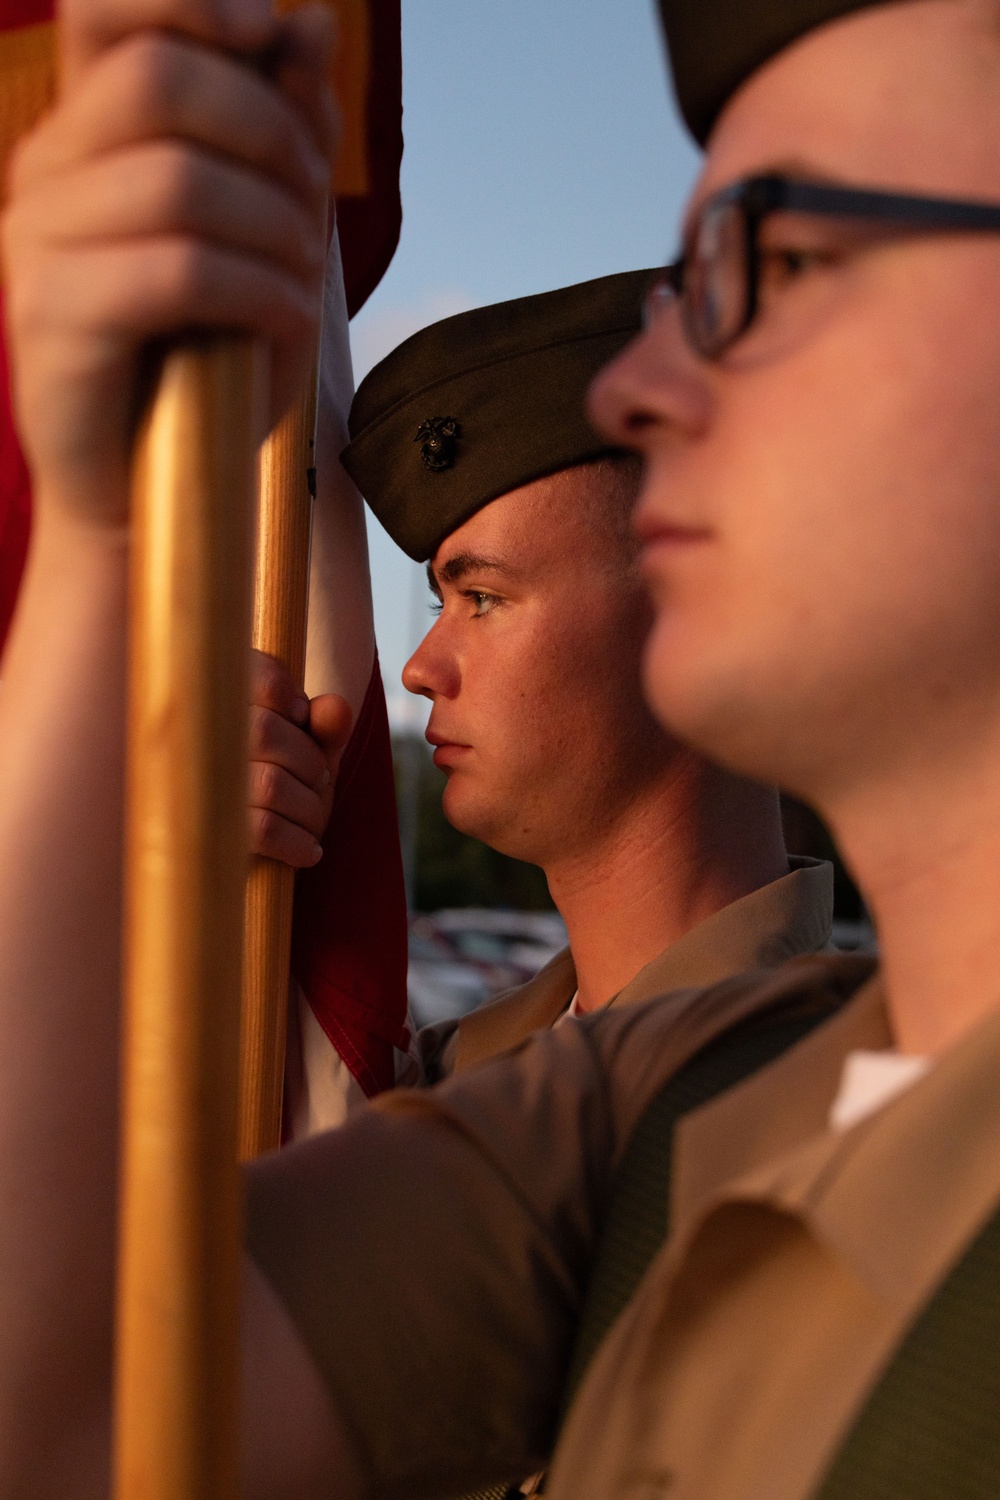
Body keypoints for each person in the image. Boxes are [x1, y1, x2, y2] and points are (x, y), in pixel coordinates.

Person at [3, 2, 1000, 1500]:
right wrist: (104, 538)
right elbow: (75, 1409)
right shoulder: (663, 1101)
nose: (649, 393)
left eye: (775, 262)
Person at [252, 278, 834, 1120]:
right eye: (438, 603)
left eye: (483, 598)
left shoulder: (868, 1096)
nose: (419, 668)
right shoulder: (449, 1086)